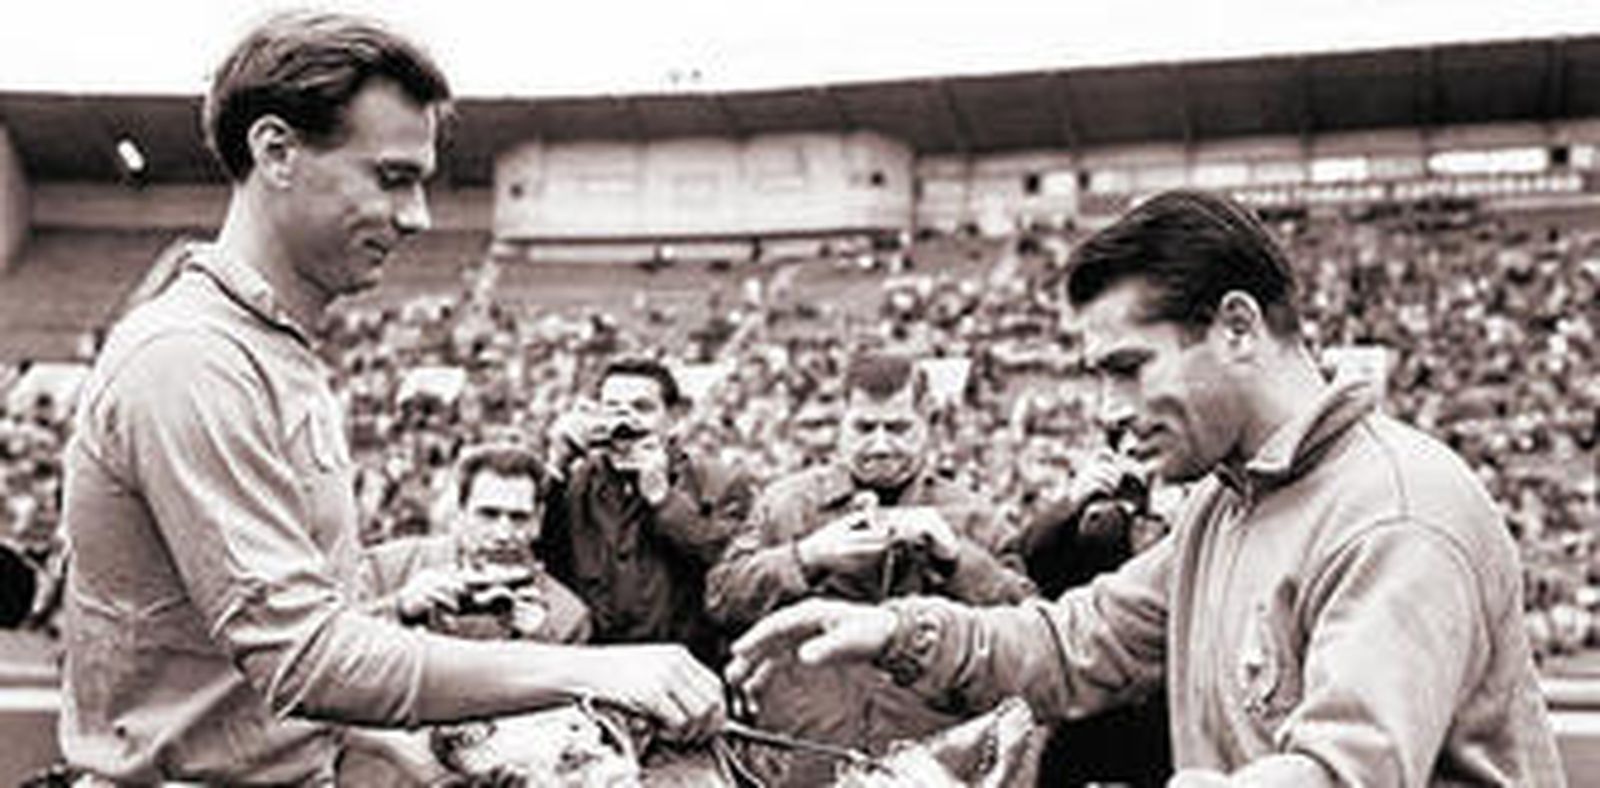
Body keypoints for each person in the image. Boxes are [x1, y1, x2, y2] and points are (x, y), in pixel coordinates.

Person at [58, 14, 720, 784]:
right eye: (392, 177)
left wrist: (416, 748)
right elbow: (304, 658)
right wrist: (595, 671)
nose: (418, 216)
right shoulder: (192, 358)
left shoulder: (274, 352)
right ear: (276, 152)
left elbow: (249, 668)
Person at [727, 189, 1566, 787]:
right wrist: (897, 630)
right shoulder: (1224, 505)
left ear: (1237, 327)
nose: (1109, 412)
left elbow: (1339, 775)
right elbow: (1076, 644)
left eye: (1128, 368)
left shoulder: (1396, 512)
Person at [706, 351, 1035, 786]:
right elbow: (721, 598)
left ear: (928, 424)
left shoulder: (975, 517)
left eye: (898, 428)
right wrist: (805, 557)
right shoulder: (785, 504)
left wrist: (956, 560)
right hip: (804, 758)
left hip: (924, 763)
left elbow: (1028, 629)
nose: (880, 445)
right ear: (840, 425)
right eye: (863, 428)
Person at [542, 357, 756, 667]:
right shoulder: (577, 484)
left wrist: (664, 501)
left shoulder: (719, 482)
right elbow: (538, 554)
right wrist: (556, 464)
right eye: (612, 408)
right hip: (597, 668)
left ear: (672, 420)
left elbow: (736, 572)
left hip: (686, 667)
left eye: (642, 408)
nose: (625, 420)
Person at [369, 442, 591, 644]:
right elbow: (349, 646)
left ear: (537, 521)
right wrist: (400, 608)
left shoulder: (566, 616)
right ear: (460, 512)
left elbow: (573, 671)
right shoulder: (388, 568)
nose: (503, 534)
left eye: (519, 518)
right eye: (488, 514)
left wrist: (544, 638)